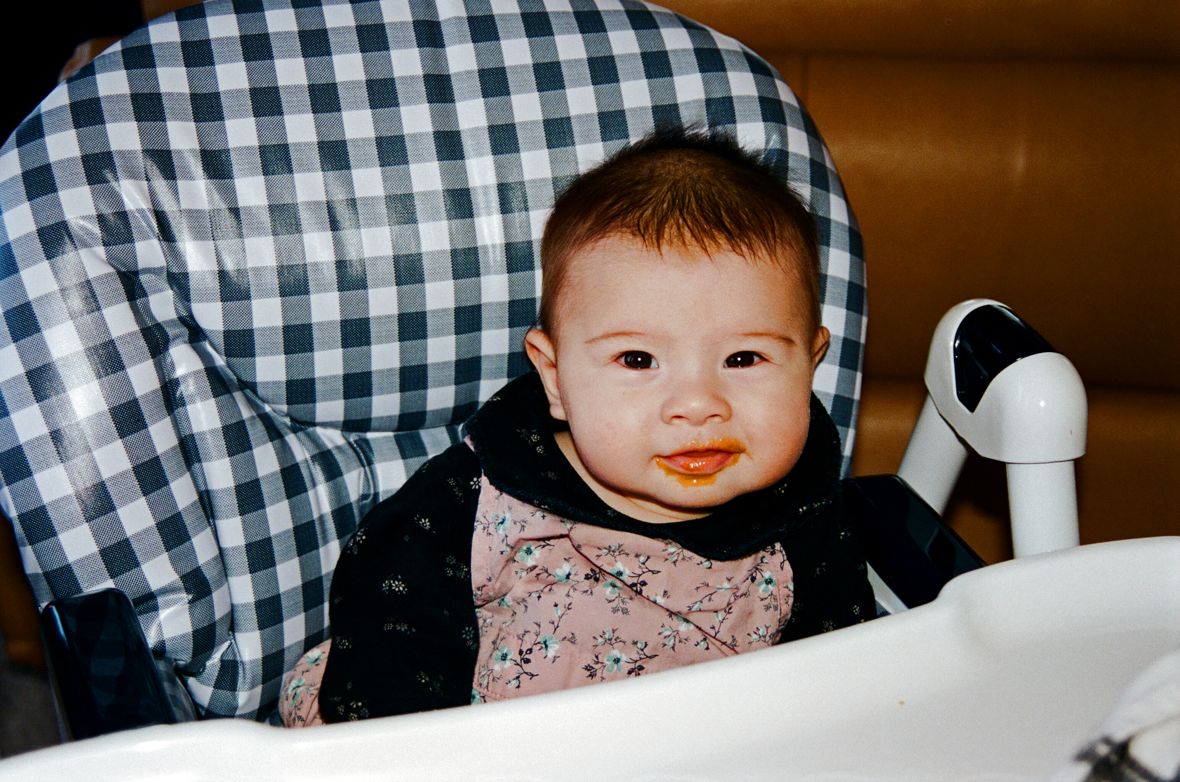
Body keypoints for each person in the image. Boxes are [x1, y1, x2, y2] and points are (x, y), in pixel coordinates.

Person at [278, 128, 875, 726]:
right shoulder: (480, 498)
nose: (697, 405)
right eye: (638, 360)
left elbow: (843, 681)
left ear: (809, 365)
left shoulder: (807, 521)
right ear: (556, 379)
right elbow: (390, 631)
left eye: (743, 359)